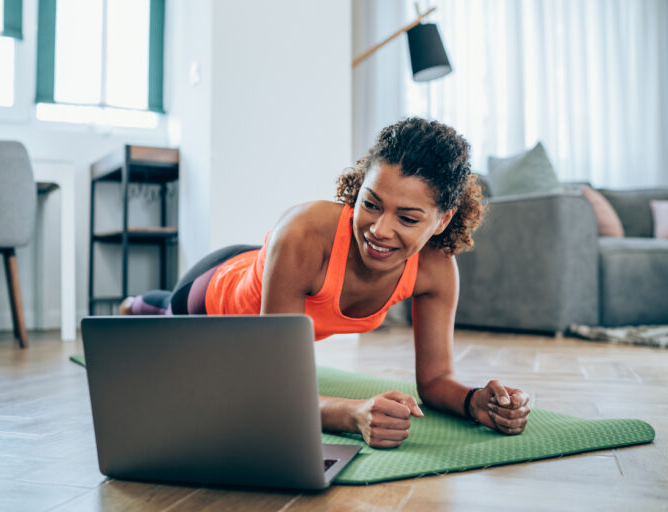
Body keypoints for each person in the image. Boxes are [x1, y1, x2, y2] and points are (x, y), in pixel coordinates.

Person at [121, 117, 531, 448]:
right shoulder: (303, 233)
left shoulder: (436, 269)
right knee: (155, 321)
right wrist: (352, 414)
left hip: (271, 270)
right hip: (212, 296)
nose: (380, 230)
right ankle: (136, 305)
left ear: (442, 219)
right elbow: (270, 388)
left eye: (407, 218)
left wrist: (474, 400)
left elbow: (435, 380)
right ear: (359, 185)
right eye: (370, 204)